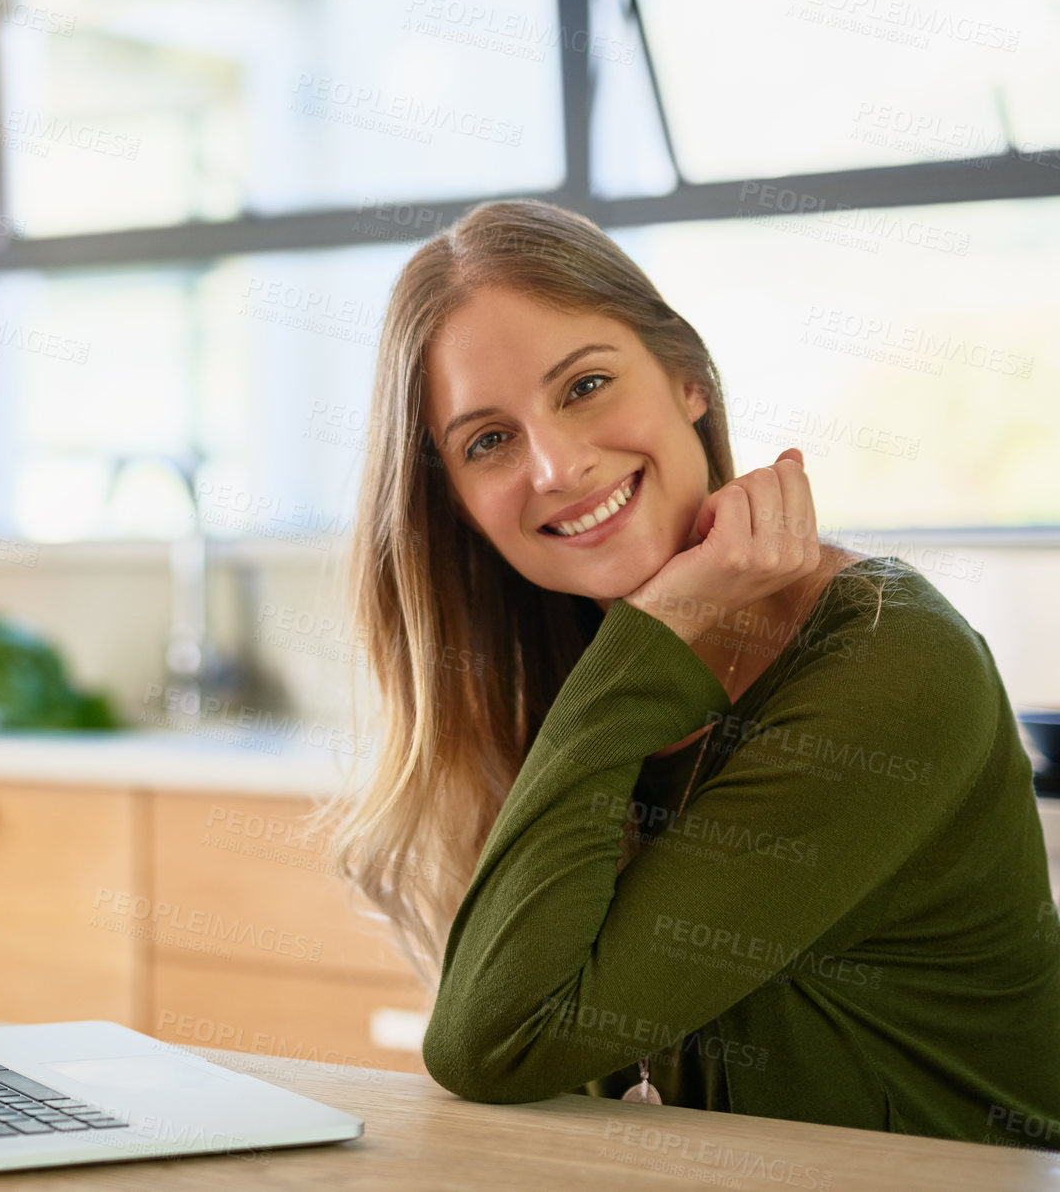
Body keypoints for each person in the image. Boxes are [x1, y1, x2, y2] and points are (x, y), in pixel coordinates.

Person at [323, 198, 1060, 1144]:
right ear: (457, 504)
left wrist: (648, 638)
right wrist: (654, 633)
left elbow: (493, 1039)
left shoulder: (887, 657)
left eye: (584, 386)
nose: (557, 465)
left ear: (687, 381)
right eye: (489, 441)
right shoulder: (576, 681)